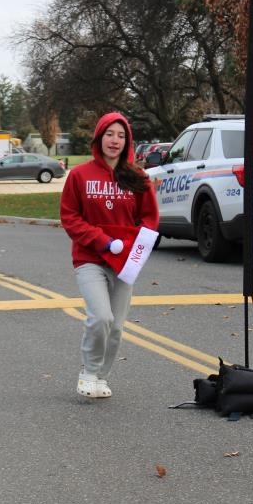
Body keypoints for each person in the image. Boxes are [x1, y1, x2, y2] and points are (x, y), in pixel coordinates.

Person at [60, 112, 158, 399]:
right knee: (101, 317)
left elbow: (149, 219)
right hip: (89, 258)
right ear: (99, 138)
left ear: (127, 141)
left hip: (125, 262)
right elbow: (70, 217)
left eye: (121, 135)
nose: (115, 140)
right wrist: (102, 241)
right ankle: (89, 373)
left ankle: (101, 377)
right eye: (109, 134)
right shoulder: (79, 175)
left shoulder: (137, 178)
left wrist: (131, 248)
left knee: (116, 326)